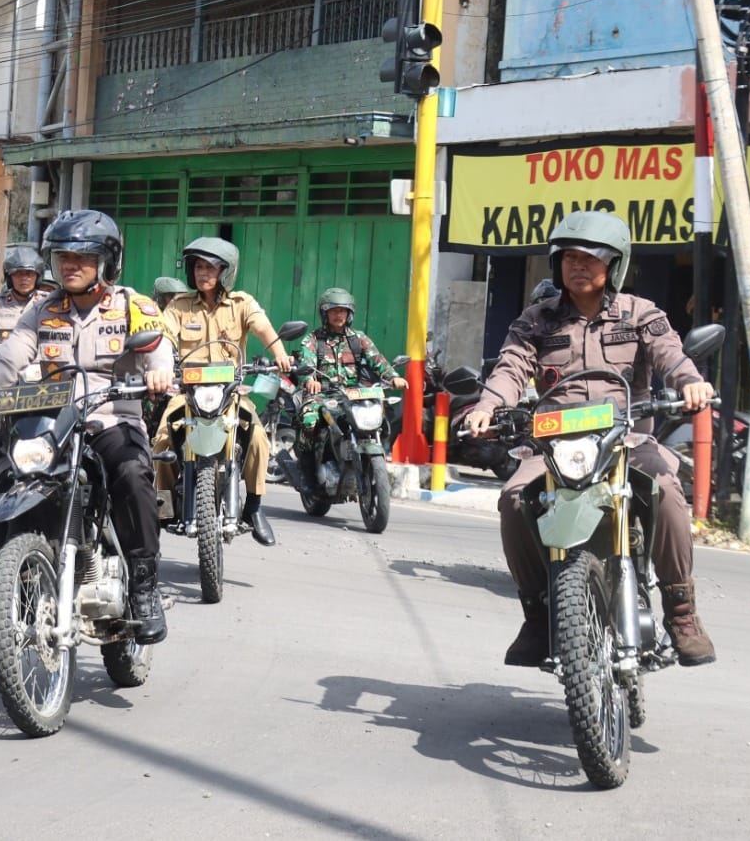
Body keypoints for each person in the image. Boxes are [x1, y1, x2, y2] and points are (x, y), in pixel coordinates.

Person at [463, 210, 718, 668]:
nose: (578, 266)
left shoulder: (641, 314)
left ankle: (682, 614)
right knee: (515, 499)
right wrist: (487, 407)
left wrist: (690, 383)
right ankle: (538, 615)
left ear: (614, 264)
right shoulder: (535, 320)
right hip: (556, 442)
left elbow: (671, 355)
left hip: (625, 438)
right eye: (569, 258)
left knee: (668, 497)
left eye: (590, 258)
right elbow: (510, 367)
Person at [0, 210, 174, 644]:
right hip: (52, 421)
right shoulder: (42, 309)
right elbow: (9, 358)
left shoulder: (133, 306)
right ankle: (28, 577)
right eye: (63, 256)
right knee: (8, 481)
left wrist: (159, 374)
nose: (70, 265)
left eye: (82, 257)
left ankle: (143, 588)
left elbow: (159, 352)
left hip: (110, 416)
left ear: (107, 260)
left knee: (133, 475)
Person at [153, 236, 292, 547]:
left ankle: (254, 507)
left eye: (211, 268)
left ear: (225, 272)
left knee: (257, 438)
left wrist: (280, 354)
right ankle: (163, 507)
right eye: (199, 267)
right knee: (162, 441)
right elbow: (163, 335)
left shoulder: (242, 303)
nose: (203, 274)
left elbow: (264, 329)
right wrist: (159, 364)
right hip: (187, 392)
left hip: (230, 394)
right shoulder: (179, 306)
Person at [293, 288, 407, 479]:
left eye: (343, 311)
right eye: (334, 310)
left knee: (381, 418)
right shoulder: (313, 340)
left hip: (352, 394)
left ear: (349, 313)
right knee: (309, 420)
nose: (339, 315)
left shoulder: (358, 339)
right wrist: (310, 380)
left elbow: (378, 360)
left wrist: (393, 377)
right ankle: (308, 472)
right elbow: (307, 363)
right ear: (325, 313)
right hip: (322, 395)